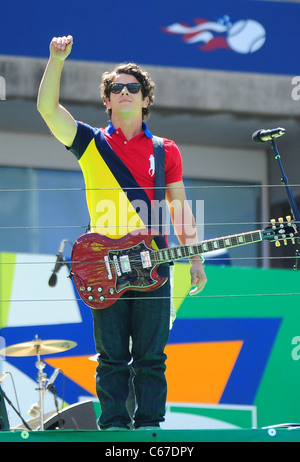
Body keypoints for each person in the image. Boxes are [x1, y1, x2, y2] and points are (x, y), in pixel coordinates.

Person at [37, 35, 207, 431]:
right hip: (103, 263)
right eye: (117, 88)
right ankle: (114, 426)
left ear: (146, 100)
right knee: (112, 355)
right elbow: (47, 109)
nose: (125, 92)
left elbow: (180, 206)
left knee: (152, 357)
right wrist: (55, 59)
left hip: (157, 260)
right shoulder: (90, 142)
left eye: (134, 88)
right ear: (108, 100)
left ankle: (150, 427)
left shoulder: (166, 149)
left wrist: (194, 256)